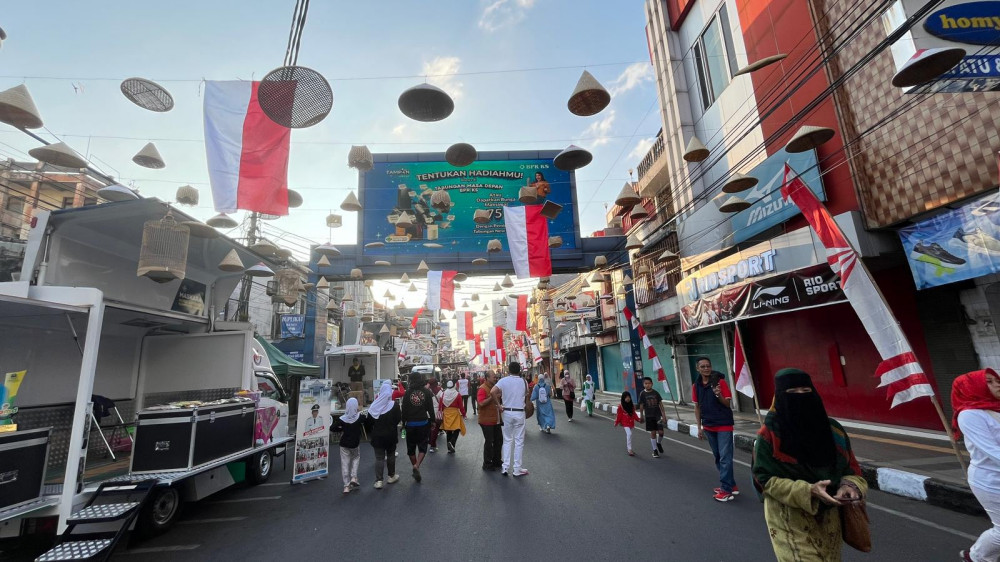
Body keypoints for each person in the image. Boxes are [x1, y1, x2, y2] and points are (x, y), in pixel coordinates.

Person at [752, 368, 866, 562]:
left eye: (806, 392)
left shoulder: (834, 431)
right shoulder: (769, 436)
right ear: (780, 397)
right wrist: (809, 490)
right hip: (788, 520)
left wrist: (850, 486)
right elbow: (763, 480)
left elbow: (851, 469)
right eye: (792, 393)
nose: (800, 398)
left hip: (830, 519)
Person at [952, 369, 1000, 562]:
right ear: (974, 387)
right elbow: (993, 452)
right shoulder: (970, 415)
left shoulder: (996, 408)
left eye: (997, 380)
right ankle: (976, 556)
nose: (997, 384)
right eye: (989, 381)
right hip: (991, 481)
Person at [692, 356, 737, 501]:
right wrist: (699, 427)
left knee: (725, 457)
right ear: (697, 369)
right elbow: (697, 407)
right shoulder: (696, 386)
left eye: (708, 366)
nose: (706, 369)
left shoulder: (720, 382)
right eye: (703, 366)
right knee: (718, 457)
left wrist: (718, 394)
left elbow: (727, 404)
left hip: (723, 424)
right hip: (708, 425)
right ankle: (731, 485)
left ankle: (725, 490)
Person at [491, 362, 529, 477]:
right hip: (519, 413)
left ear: (509, 370)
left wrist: (499, 405)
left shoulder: (503, 381)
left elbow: (492, 392)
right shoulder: (524, 381)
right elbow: (527, 395)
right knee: (519, 442)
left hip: (506, 412)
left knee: (507, 440)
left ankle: (505, 467)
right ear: (519, 370)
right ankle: (517, 469)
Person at [364, 381, 401, 489]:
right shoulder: (395, 405)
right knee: (390, 455)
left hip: (377, 436)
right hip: (391, 435)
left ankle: (379, 481)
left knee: (379, 458)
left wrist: (372, 432)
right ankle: (391, 476)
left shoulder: (374, 406)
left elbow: (368, 423)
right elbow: (398, 419)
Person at [401, 373, 435, 482]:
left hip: (410, 424)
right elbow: (430, 408)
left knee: (411, 449)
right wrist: (433, 421)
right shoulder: (426, 391)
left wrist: (403, 423)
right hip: (423, 423)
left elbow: (404, 410)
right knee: (422, 446)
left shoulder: (407, 393)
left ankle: (414, 465)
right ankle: (417, 465)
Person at [331, 397, 363, 494]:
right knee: (356, 458)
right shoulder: (359, 417)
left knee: (345, 463)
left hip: (344, 444)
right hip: (355, 443)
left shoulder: (342, 419)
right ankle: (354, 477)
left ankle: (346, 486)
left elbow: (332, 428)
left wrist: (342, 429)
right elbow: (368, 420)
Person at [478, 370, 503, 470]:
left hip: (496, 419)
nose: (496, 378)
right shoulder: (482, 389)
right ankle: (487, 463)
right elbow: (481, 403)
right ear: (487, 378)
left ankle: (496, 460)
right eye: (494, 377)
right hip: (486, 420)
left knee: (499, 440)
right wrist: (492, 397)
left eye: (496, 377)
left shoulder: (495, 388)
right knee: (489, 442)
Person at [638, 377, 667, 458]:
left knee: (661, 432)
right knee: (653, 432)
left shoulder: (656, 393)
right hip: (649, 416)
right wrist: (641, 416)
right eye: (645, 383)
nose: (647, 385)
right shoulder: (642, 394)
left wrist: (664, 415)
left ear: (652, 384)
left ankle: (659, 443)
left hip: (657, 416)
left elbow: (660, 404)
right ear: (643, 385)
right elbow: (641, 405)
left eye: (649, 383)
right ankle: (655, 450)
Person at [439, 380, 467, 453]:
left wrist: (440, 414)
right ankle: (452, 443)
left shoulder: (443, 394)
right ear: (453, 386)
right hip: (455, 413)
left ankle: (449, 449)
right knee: (457, 428)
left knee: (449, 431)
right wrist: (464, 414)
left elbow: (440, 406)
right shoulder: (457, 394)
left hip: (446, 413)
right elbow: (461, 406)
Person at [613, 391, 640, 456]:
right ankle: (629, 449)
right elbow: (619, 415)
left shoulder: (632, 406)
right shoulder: (621, 407)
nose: (628, 399)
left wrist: (638, 419)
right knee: (629, 434)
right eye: (626, 397)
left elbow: (634, 414)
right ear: (623, 398)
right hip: (625, 423)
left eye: (629, 397)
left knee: (630, 436)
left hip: (631, 423)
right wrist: (616, 422)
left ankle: (629, 447)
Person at [427, 377, 443, 453]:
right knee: (435, 429)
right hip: (438, 412)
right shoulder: (440, 390)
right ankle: (433, 445)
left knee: (431, 429)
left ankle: (431, 443)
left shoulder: (428, 391)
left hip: (429, 413)